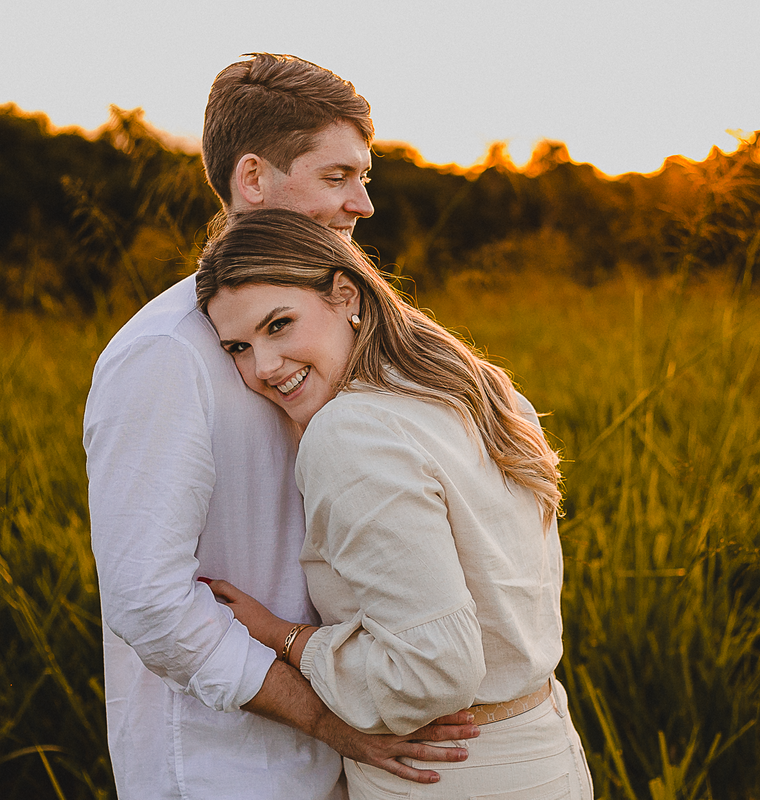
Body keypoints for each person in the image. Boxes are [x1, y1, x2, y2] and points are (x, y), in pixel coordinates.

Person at [83, 54, 475, 800]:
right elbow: (148, 600)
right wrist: (325, 719)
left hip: (346, 757)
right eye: (336, 177)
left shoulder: (335, 329)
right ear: (253, 178)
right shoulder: (167, 352)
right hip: (223, 769)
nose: (362, 204)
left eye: (366, 177)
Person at [194, 208, 594, 799]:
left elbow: (433, 669)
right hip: (545, 752)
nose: (263, 367)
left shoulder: (350, 431)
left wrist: (283, 636)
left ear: (345, 295)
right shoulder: (473, 384)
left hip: (445, 772)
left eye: (279, 325)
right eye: (238, 346)